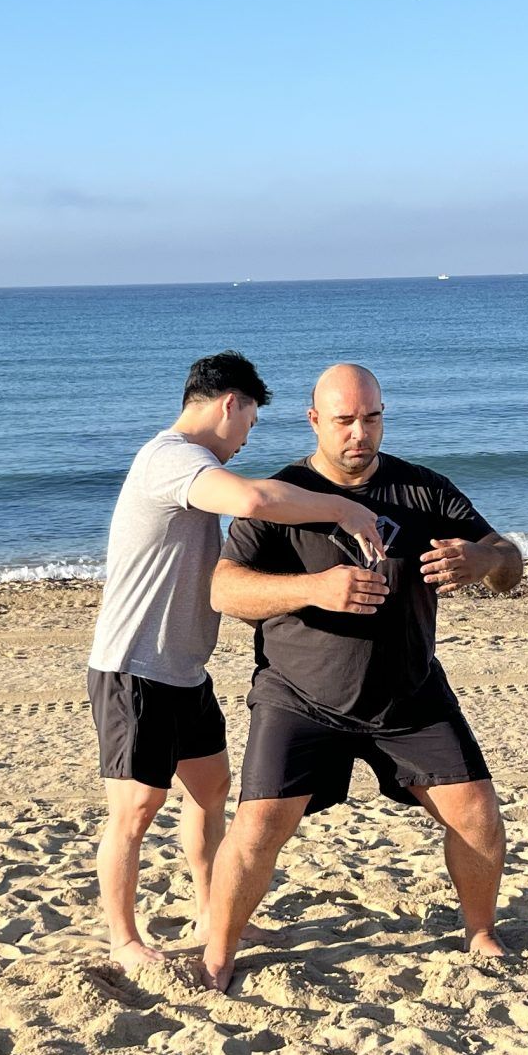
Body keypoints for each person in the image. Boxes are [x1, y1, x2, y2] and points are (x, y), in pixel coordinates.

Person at [199, 362, 523, 990]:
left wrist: (482, 559)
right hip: (299, 697)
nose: (359, 433)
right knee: (259, 825)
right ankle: (220, 948)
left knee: (478, 814)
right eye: (344, 420)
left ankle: (480, 930)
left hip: (409, 693)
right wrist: (318, 588)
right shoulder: (279, 495)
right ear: (315, 419)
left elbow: (510, 565)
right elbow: (223, 589)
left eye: (371, 418)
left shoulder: (423, 490)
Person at [86, 352, 383, 970]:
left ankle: (208, 912)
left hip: (184, 671)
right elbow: (249, 499)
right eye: (250, 422)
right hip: (132, 667)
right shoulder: (171, 457)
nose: (248, 438)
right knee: (136, 809)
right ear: (230, 405)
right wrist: (342, 507)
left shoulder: (187, 464)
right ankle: (123, 941)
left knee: (211, 791)